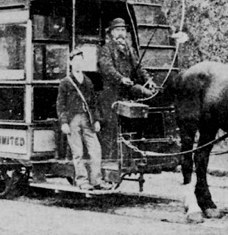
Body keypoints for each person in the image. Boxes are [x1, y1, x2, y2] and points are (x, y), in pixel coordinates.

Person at [98, 17, 158, 159]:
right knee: (111, 125)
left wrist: (148, 80)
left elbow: (139, 68)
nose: (121, 33)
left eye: (123, 30)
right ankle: (111, 157)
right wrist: (121, 78)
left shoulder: (130, 50)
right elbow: (107, 68)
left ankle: (138, 152)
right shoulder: (106, 50)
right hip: (111, 92)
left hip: (128, 90)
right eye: (117, 30)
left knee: (146, 94)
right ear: (112, 33)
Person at [57, 48, 110, 191]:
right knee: (78, 152)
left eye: (81, 61)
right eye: (76, 61)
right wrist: (64, 123)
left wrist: (97, 120)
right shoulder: (65, 82)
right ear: (70, 63)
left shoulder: (87, 81)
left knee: (96, 149)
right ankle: (82, 181)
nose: (78, 64)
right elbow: (61, 105)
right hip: (72, 120)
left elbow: (93, 103)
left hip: (88, 119)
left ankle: (96, 180)